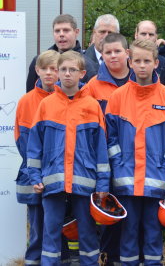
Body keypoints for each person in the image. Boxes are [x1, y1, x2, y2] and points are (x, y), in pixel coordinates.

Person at [27, 50, 110, 265]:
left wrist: (102, 184)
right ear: (57, 72)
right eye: (62, 69)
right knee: (51, 232)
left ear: (82, 73)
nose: (67, 74)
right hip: (52, 182)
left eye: (72, 70)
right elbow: (34, 146)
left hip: (85, 182)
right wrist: (35, 176)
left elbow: (101, 149)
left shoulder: (92, 106)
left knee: (88, 234)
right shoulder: (46, 105)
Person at [106, 39, 165, 265]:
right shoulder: (118, 96)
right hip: (126, 180)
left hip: (155, 180)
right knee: (128, 232)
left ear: (156, 63)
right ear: (130, 63)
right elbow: (109, 136)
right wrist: (118, 163)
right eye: (137, 61)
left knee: (152, 230)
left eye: (146, 61)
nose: (142, 65)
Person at [81, 32, 130, 265]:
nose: (112, 56)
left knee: (132, 209)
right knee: (108, 208)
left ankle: (128, 255)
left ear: (126, 53)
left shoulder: (139, 80)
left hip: (133, 158)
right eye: (107, 52)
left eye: (117, 51)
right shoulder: (93, 85)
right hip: (103, 159)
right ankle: (109, 256)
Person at [15, 50, 60, 265]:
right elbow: (23, 141)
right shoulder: (27, 101)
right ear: (37, 71)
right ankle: (33, 260)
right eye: (45, 69)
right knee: (36, 228)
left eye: (54, 69)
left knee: (56, 227)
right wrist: (37, 172)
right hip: (35, 174)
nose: (49, 73)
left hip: (58, 174)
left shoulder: (64, 98)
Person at [26, 14, 98, 92]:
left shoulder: (88, 65)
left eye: (66, 30)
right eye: (57, 31)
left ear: (76, 32)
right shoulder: (39, 61)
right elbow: (30, 94)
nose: (61, 34)